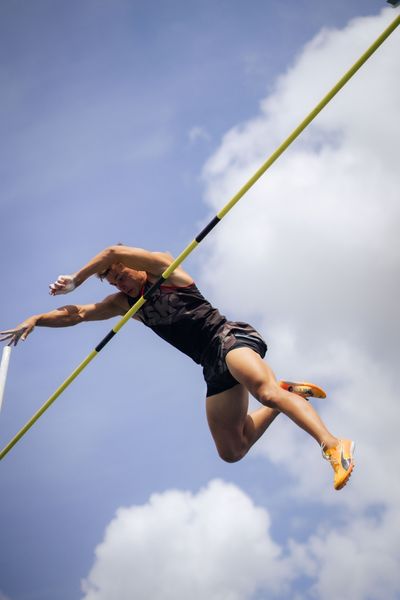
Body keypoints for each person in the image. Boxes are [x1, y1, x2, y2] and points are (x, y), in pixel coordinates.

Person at [0, 244, 355, 489]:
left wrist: (75, 279)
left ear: (135, 265)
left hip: (228, 339)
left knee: (265, 392)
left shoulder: (164, 267)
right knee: (232, 450)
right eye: (115, 282)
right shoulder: (126, 303)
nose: (122, 283)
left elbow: (111, 252)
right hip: (210, 364)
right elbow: (77, 314)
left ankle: (333, 444)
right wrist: (36, 318)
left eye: (122, 275)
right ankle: (288, 392)